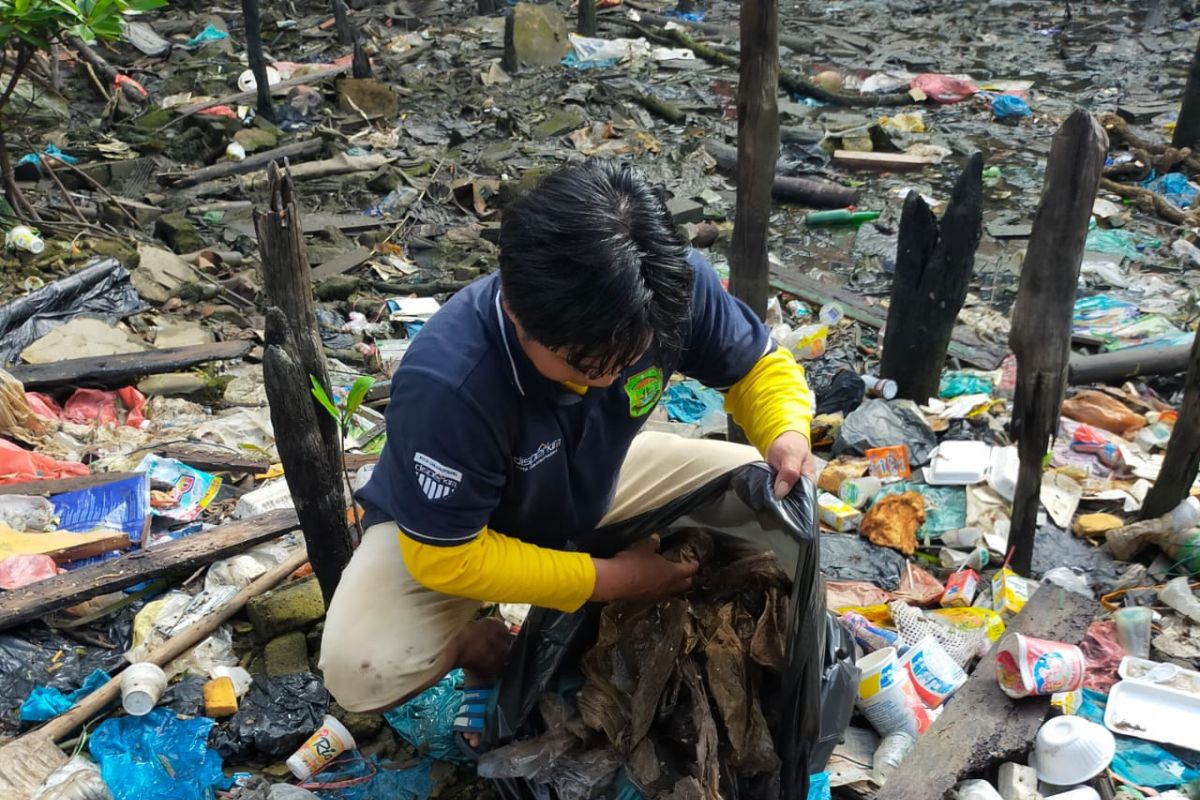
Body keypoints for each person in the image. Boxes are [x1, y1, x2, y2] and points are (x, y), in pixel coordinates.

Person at [319, 160, 815, 754]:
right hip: (450, 531)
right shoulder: (448, 381)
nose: (606, 380)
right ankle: (478, 646)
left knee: (772, 492)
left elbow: (759, 367)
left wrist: (786, 430)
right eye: (582, 364)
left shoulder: (664, 286)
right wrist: (614, 582)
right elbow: (445, 560)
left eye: (624, 359)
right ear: (514, 311)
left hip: (595, 477)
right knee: (361, 669)